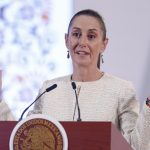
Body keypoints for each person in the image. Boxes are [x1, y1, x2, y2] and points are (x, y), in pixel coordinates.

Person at [28, 9, 150, 150]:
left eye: (91, 36)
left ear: (104, 44)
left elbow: (135, 146)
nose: (82, 42)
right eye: (76, 34)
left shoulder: (121, 90)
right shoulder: (49, 89)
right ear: (66, 40)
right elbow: (20, 135)